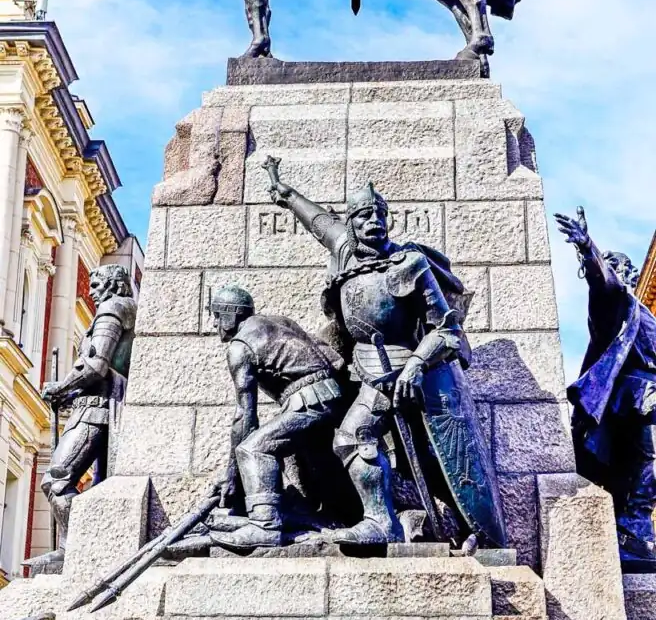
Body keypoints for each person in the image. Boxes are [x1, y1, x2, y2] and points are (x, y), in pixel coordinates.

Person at [265, 159, 506, 548]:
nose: (373, 222)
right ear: (352, 224)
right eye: (363, 217)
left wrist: (415, 364)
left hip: (414, 372)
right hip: (366, 369)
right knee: (350, 439)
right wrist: (285, 191)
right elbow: (317, 220)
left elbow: (446, 329)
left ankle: (476, 532)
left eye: (379, 215)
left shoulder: (409, 263)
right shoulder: (345, 251)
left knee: (432, 458)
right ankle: (381, 522)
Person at [206, 285, 346, 549]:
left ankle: (265, 524)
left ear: (231, 315)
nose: (215, 323)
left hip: (308, 399)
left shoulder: (240, 347)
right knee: (309, 457)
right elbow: (333, 357)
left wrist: (231, 475)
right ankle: (328, 514)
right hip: (331, 392)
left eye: (216, 315)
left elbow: (245, 417)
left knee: (254, 449)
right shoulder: (278, 322)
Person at [556, 207, 656, 569]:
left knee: (646, 466)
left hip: (649, 396)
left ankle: (636, 529)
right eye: (612, 265)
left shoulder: (642, 312)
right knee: (649, 461)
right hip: (637, 397)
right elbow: (603, 282)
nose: (619, 271)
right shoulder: (613, 305)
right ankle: (633, 529)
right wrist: (587, 248)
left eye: (620, 265)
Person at [28, 264, 136, 572]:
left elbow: (96, 365)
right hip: (100, 406)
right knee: (95, 485)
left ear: (113, 285)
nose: (90, 291)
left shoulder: (113, 309)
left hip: (95, 410)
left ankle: (78, 551)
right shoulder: (127, 309)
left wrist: (60, 387)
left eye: (96, 284)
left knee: (57, 479)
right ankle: (76, 549)